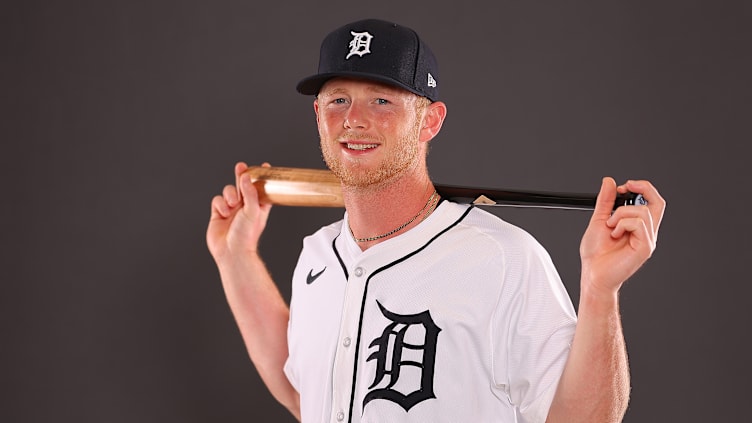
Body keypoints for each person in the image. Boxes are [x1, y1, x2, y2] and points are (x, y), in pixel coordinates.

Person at [206, 18, 665, 423]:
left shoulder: (504, 258)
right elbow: (307, 398)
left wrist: (600, 292)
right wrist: (236, 258)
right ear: (317, 116)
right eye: (338, 100)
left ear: (430, 122)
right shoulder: (318, 255)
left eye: (382, 101)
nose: (355, 120)